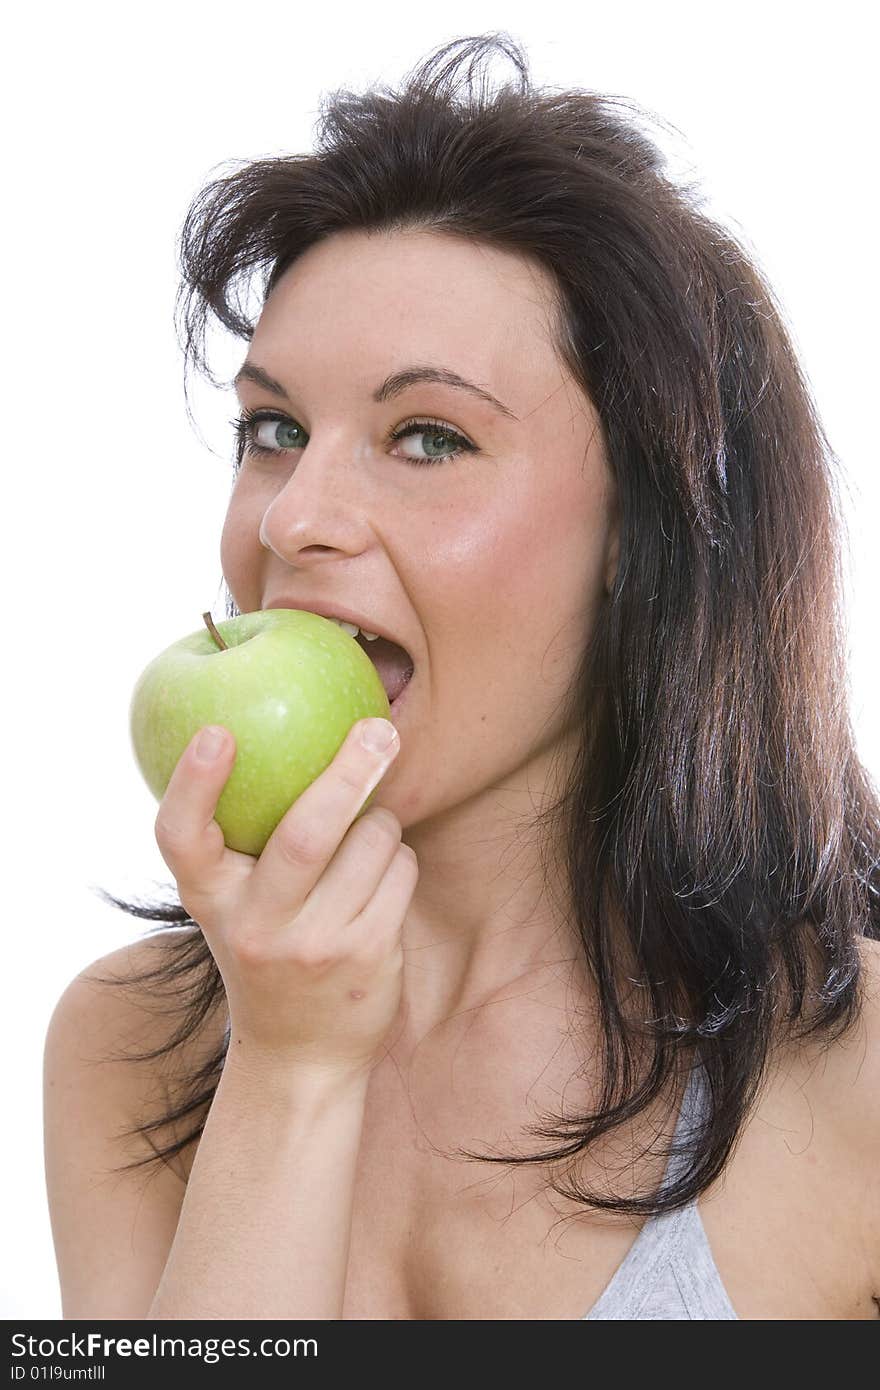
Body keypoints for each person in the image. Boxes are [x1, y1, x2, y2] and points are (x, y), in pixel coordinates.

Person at [43, 32, 880, 1321]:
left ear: (642, 536)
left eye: (427, 437)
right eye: (274, 430)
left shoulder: (854, 1075)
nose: (293, 520)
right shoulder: (130, 1047)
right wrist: (290, 1068)